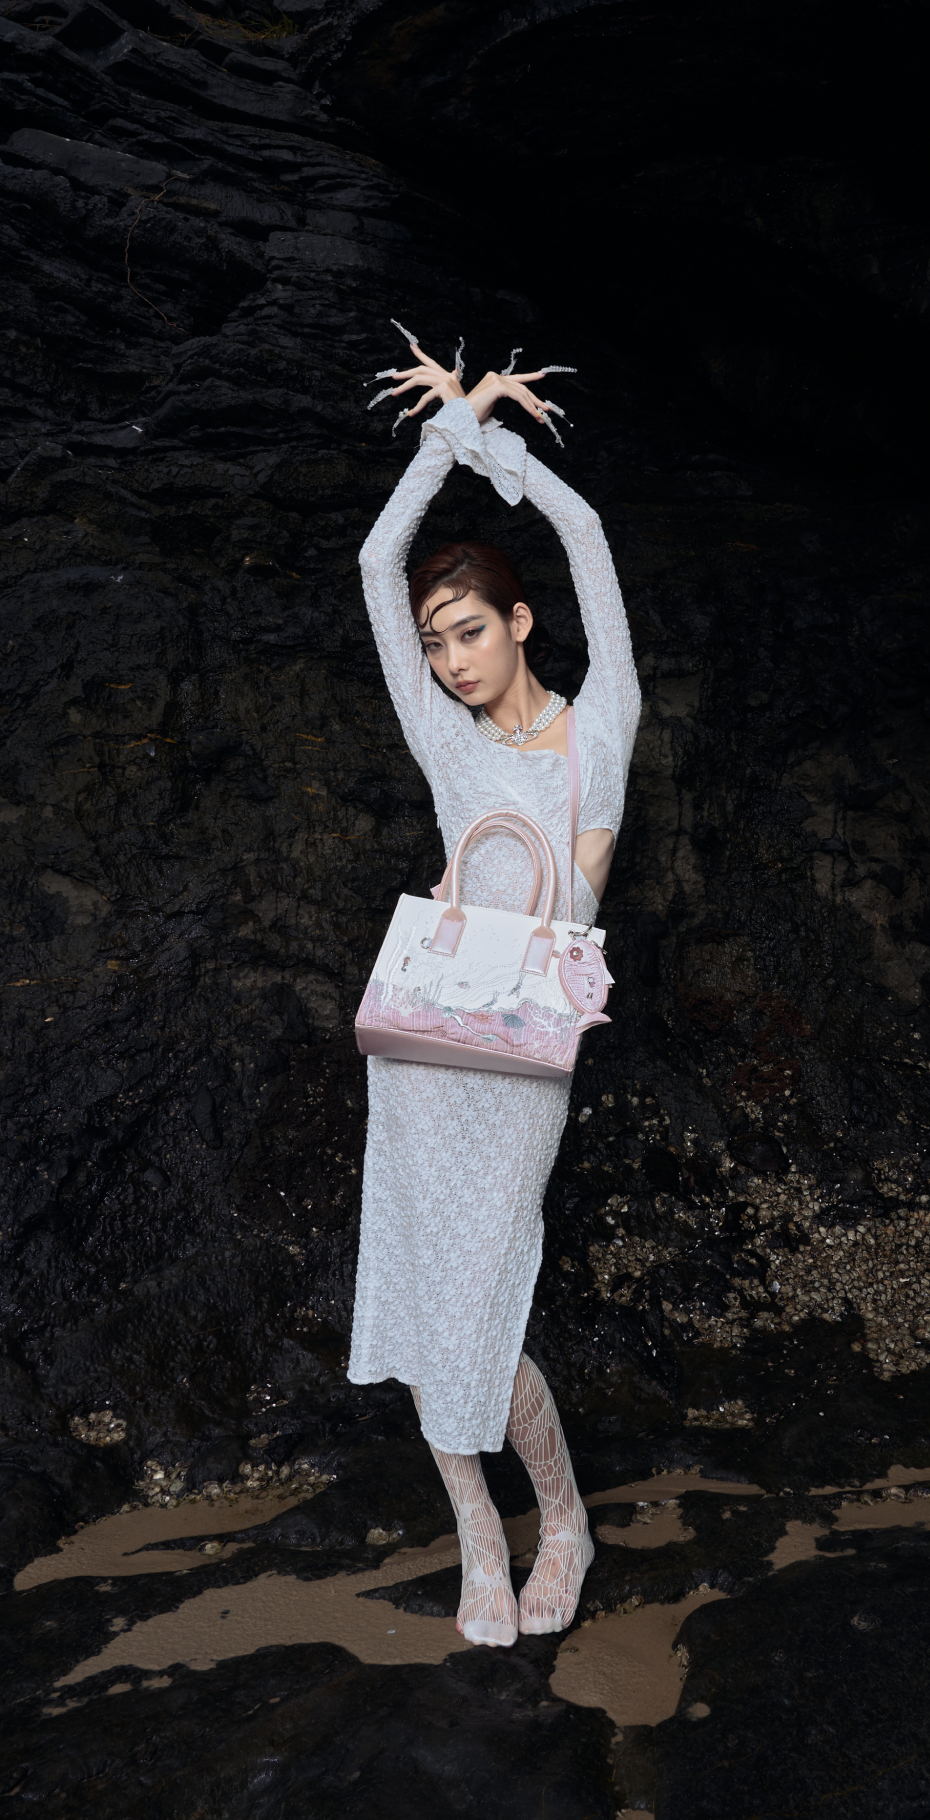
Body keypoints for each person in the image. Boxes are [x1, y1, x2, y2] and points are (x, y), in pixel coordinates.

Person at [347, 338, 640, 1647]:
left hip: (523, 1052)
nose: (453, 659)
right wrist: (436, 444)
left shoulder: (601, 721)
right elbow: (375, 563)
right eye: (436, 643)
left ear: (520, 623)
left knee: (483, 1292)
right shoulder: (444, 740)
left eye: (470, 630)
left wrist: (496, 448)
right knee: (422, 1293)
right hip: (425, 1052)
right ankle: (478, 1531)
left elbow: (586, 536)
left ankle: (562, 1519)